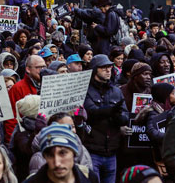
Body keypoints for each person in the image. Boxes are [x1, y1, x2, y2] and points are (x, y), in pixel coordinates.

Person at [84, 54, 129, 183]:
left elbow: (125, 115)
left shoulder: (116, 91)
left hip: (112, 150)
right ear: (94, 70)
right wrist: (110, 112)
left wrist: (119, 118)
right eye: (103, 68)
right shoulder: (86, 90)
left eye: (109, 67)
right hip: (93, 149)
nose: (108, 70)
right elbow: (90, 112)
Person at [24, 123, 99, 183]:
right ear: (44, 157)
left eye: (62, 153)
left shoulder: (89, 177)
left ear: (74, 153)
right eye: (50, 155)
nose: (57, 163)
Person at [4, 55, 44, 143]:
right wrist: (11, 142)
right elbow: (11, 119)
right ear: (28, 69)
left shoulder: (49, 85)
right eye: (38, 67)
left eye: (43, 67)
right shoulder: (17, 88)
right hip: (25, 139)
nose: (42, 70)